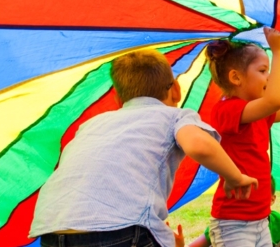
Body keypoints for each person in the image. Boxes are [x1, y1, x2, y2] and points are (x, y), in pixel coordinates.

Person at [29, 49, 257, 247]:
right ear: (176, 90)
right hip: (120, 230)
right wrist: (235, 177)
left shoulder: (91, 124)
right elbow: (199, 145)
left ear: (118, 99)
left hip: (52, 229)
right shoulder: (174, 116)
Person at [205, 27, 280, 247]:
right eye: (263, 70)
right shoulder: (227, 110)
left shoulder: (259, 114)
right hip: (233, 222)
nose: (269, 77)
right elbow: (275, 100)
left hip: (260, 219)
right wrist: (278, 52)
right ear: (236, 77)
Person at [183, 177, 280, 247]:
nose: (253, 202)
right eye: (247, 195)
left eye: (259, 196)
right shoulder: (228, 225)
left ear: (271, 199)